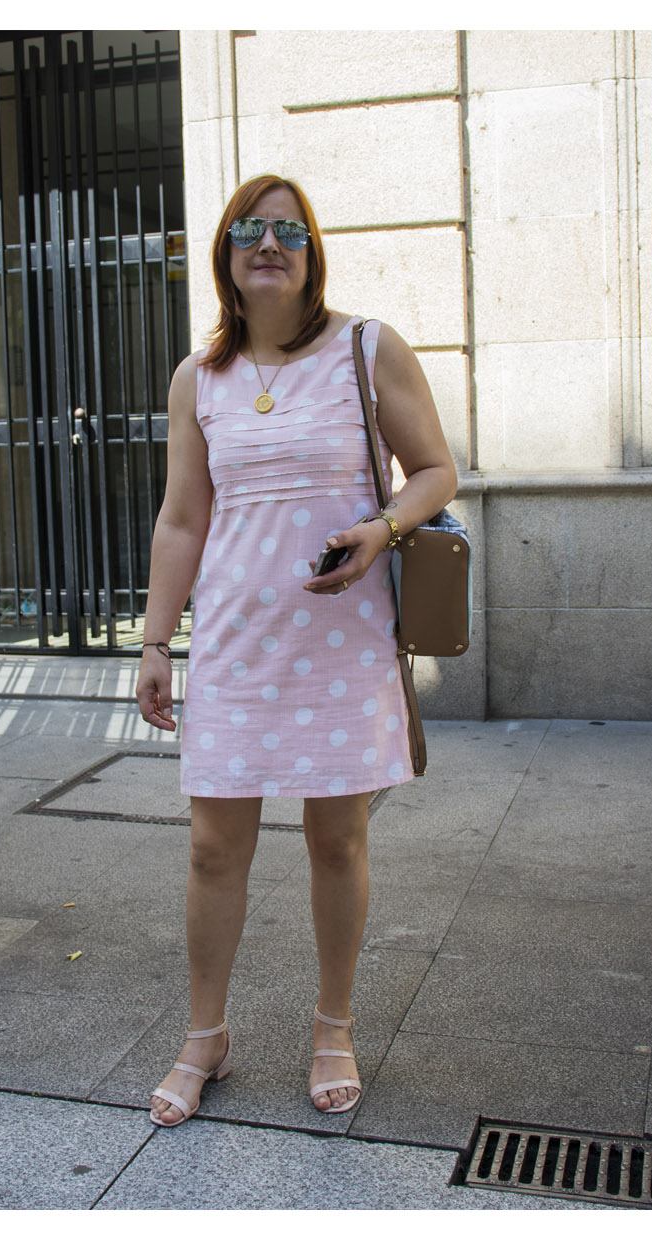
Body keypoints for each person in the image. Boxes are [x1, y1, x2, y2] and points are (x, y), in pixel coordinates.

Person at [135, 174, 458, 1126]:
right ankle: (206, 1036)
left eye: (289, 231)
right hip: (234, 641)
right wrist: (158, 641)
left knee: (337, 838)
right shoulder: (200, 378)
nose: (268, 243)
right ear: (225, 253)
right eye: (249, 229)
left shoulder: (367, 348)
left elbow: (437, 468)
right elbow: (183, 517)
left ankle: (333, 1024)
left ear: (312, 251)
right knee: (210, 848)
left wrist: (384, 528)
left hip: (342, 638)